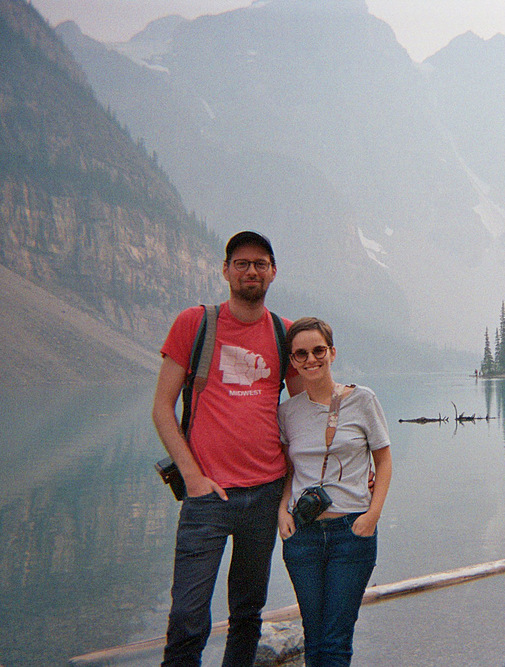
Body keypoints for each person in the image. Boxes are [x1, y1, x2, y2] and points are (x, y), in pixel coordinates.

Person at [152, 230, 303, 666]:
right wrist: (193, 477)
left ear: (273, 272)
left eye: (260, 263)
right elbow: (162, 408)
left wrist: (359, 455)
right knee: (187, 618)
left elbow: (304, 416)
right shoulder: (194, 324)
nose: (250, 271)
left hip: (266, 492)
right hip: (207, 497)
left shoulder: (284, 333)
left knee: (247, 613)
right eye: (241, 263)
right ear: (225, 270)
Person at [277, 317, 392, 667]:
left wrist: (372, 516)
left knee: (337, 639)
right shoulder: (287, 412)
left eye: (318, 350)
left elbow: (384, 460)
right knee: (314, 637)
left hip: (351, 534)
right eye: (301, 354)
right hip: (303, 535)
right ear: (293, 361)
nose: (311, 359)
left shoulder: (363, 400)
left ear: (332, 352)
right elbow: (288, 470)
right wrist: (282, 510)